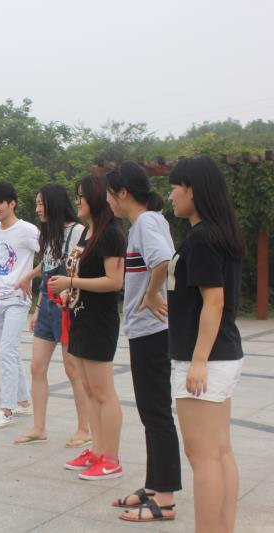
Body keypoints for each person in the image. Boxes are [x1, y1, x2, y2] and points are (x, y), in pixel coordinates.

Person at [167, 155, 245, 533]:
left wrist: (197, 361)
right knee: (219, 451)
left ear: (192, 190)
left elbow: (214, 301)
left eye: (174, 187)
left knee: (203, 457)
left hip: (205, 359)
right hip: (221, 354)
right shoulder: (218, 233)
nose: (170, 195)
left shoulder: (202, 239)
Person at [106, 162, 180, 522]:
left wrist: (151, 295)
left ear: (123, 193)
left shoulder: (147, 222)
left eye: (110, 194)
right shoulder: (146, 223)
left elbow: (163, 261)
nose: (108, 201)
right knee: (152, 413)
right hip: (146, 331)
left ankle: (164, 500)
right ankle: (154, 485)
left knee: (157, 413)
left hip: (152, 331)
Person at [48, 174, 125, 480]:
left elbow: (114, 281)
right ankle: (97, 450)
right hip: (78, 317)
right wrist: (68, 293)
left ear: (94, 198)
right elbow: (82, 275)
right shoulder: (88, 234)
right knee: (89, 389)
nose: (77, 202)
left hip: (99, 322)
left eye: (80, 196)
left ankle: (111, 458)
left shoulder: (111, 234)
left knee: (104, 392)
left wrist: (72, 282)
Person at [14, 183, 91, 447]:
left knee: (73, 370)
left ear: (53, 204)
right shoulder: (49, 233)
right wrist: (38, 308)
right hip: (47, 306)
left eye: (40, 203)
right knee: (37, 366)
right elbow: (48, 266)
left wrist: (69, 291)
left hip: (67, 308)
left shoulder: (77, 231)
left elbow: (80, 267)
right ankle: (39, 428)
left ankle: (84, 429)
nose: (37, 209)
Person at [0, 182, 39, 429]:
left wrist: (27, 277)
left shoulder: (27, 230)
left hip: (17, 298)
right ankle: (24, 401)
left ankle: (7, 409)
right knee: (9, 352)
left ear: (12, 203)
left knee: (8, 350)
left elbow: (52, 254)